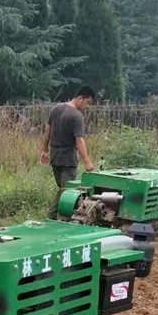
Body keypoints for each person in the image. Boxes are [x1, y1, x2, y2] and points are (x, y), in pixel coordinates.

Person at [39, 87, 97, 218]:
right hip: (68, 159)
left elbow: (47, 130)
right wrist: (87, 162)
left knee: (62, 189)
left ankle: (54, 218)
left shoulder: (56, 108)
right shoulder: (77, 116)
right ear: (80, 98)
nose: (87, 106)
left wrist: (44, 150)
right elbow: (79, 140)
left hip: (55, 157)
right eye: (87, 103)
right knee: (67, 192)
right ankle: (58, 219)